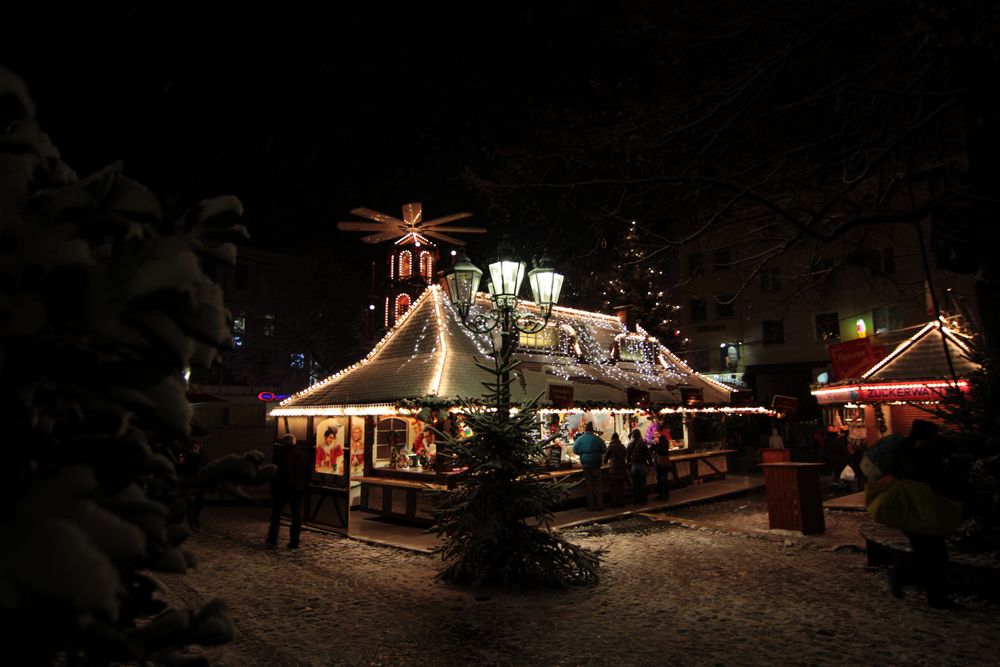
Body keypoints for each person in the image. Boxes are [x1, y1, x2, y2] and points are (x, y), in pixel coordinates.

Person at [887, 419, 960, 609]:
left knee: (927, 553)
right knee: (934, 555)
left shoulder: (905, 449)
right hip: (920, 509)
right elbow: (930, 477)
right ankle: (910, 581)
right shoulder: (919, 454)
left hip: (912, 510)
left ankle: (929, 592)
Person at [267, 433, 312, 549]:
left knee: (276, 515)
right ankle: (294, 541)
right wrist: (303, 486)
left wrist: (273, 488)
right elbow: (308, 475)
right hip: (297, 490)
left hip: (281, 490)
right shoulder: (303, 456)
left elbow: (273, 473)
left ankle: (272, 538)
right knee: (296, 517)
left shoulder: (278, 456)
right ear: (294, 442)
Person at [573, 422, 607, 510]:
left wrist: (582, 454)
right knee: (598, 484)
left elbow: (575, 450)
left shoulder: (580, 439)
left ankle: (591, 505)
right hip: (596, 463)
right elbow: (604, 449)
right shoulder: (597, 439)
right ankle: (599, 505)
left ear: (585, 430)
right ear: (592, 430)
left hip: (586, 464)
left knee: (589, 484)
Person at [177, 439, 206, 529]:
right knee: (191, 502)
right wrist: (180, 463)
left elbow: (202, 466)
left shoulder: (200, 456)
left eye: (196, 447)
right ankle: (192, 522)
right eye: (194, 447)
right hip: (189, 481)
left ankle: (195, 520)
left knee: (199, 502)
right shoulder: (188, 457)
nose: (196, 448)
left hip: (197, 482)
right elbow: (181, 469)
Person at [626, 428, 653, 505]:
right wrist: (651, 463)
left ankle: (636, 499)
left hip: (634, 466)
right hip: (642, 465)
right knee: (642, 483)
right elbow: (648, 454)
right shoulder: (643, 443)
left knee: (635, 483)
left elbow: (627, 457)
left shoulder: (630, 444)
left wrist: (628, 464)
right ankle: (643, 500)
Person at [603, 432, 628, 508]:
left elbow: (605, 458)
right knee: (621, 486)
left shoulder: (610, 447)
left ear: (612, 438)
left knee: (614, 487)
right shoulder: (622, 446)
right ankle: (621, 503)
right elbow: (626, 456)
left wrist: (605, 463)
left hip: (613, 469)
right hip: (622, 468)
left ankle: (614, 504)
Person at [652, 432, 672, 500]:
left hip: (662, 462)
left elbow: (662, 450)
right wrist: (654, 444)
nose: (655, 436)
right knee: (661, 479)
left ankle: (665, 495)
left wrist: (657, 444)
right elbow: (651, 450)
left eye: (656, 435)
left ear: (659, 435)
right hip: (659, 463)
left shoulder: (663, 441)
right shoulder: (658, 442)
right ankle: (661, 495)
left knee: (663, 479)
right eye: (654, 435)